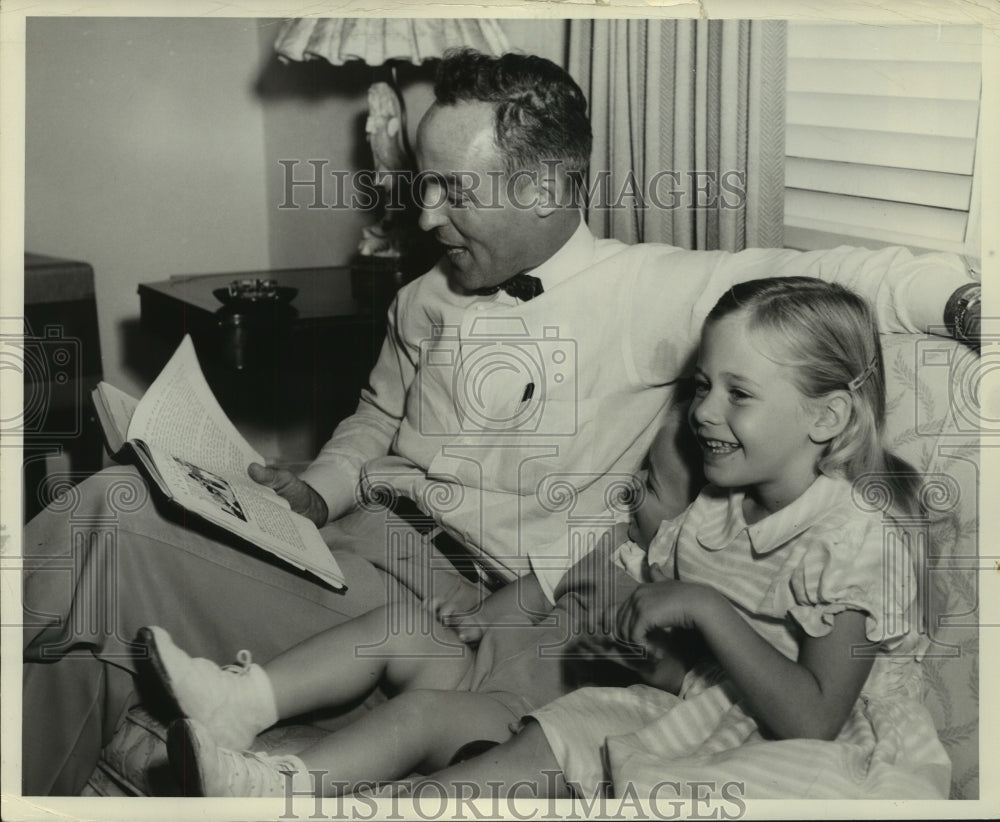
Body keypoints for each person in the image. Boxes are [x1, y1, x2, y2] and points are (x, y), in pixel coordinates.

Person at [21, 49, 978, 796]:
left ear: (547, 188)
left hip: (467, 599)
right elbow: (374, 415)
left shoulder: (649, 293)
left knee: (108, 521)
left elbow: (840, 279)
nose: (425, 213)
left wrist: (965, 300)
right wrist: (315, 486)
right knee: (122, 519)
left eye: (453, 190)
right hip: (347, 546)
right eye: (424, 186)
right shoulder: (424, 294)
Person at [141, 276, 950, 799]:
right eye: (704, 385)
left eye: (737, 393)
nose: (702, 412)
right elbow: (682, 680)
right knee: (514, 726)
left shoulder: (858, 536)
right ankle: (267, 769)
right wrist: (630, 636)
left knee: (541, 744)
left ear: (828, 416)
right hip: (683, 710)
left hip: (811, 749)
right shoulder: (712, 513)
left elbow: (813, 718)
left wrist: (699, 609)